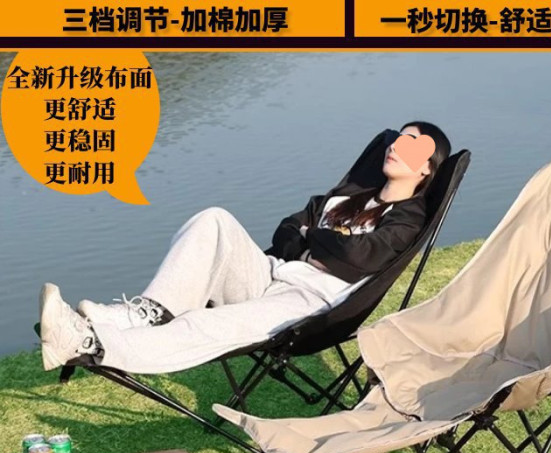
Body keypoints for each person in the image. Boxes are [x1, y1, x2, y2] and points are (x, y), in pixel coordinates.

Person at [39, 121, 451, 374]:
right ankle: (145, 313)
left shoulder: (407, 220)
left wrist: (313, 238)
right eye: (399, 138)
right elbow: (287, 231)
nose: (397, 146)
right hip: (271, 272)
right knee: (214, 219)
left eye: (412, 145)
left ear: (426, 169)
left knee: (207, 324)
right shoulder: (348, 196)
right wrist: (321, 245)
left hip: (307, 305)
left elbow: (359, 257)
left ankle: (88, 342)